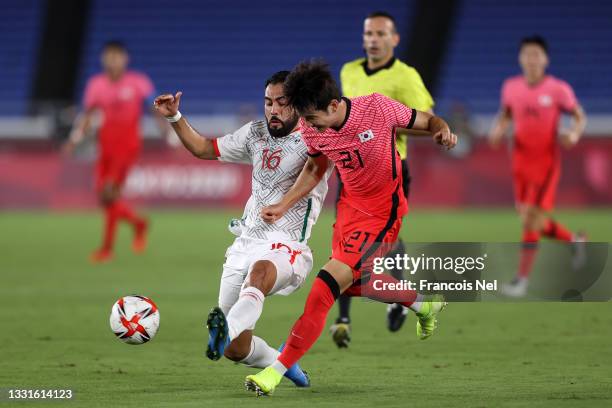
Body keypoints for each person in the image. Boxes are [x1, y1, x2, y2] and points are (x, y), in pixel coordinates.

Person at [244, 60, 456, 396]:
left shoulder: (377, 108)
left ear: (332, 105)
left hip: (383, 213)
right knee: (354, 285)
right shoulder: (313, 126)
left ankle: (274, 372)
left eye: (312, 119)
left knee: (324, 289)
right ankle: (422, 304)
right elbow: (315, 166)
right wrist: (283, 204)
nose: (310, 127)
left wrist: (441, 130)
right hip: (348, 212)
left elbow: (429, 120)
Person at [153, 71, 333, 387]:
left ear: (298, 104)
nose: (273, 110)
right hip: (245, 243)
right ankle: (281, 361)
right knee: (234, 351)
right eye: (268, 102)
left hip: (288, 245)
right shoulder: (255, 134)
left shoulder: (315, 137)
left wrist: (283, 205)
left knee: (260, 274)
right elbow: (204, 148)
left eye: (282, 102)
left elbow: (316, 170)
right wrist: (175, 117)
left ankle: (226, 328)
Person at [332, 11, 436, 346]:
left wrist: (383, 125)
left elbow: (429, 120)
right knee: (346, 240)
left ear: (394, 39)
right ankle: (344, 318)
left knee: (382, 242)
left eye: (380, 33)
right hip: (352, 171)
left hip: (391, 171)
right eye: (368, 33)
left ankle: (404, 299)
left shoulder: (406, 76)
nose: (373, 39)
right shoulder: (348, 71)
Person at [489, 36, 587, 297]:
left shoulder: (558, 89)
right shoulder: (510, 87)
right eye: (527, 55)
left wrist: (574, 134)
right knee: (531, 219)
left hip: (546, 164)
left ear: (546, 59)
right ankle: (574, 241)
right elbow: (506, 114)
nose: (532, 60)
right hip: (520, 164)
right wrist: (498, 129)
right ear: (520, 58)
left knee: (531, 220)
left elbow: (578, 115)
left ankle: (521, 281)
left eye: (537, 55)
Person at [63, 41, 169, 263]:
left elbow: (155, 108)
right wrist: (74, 139)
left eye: (117, 56)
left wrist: (167, 134)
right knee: (105, 199)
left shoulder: (138, 82)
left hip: (127, 148)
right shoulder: (96, 84)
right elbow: (88, 115)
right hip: (105, 147)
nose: (113, 60)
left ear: (125, 59)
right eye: (109, 56)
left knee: (110, 193)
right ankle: (139, 224)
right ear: (103, 59)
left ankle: (107, 249)